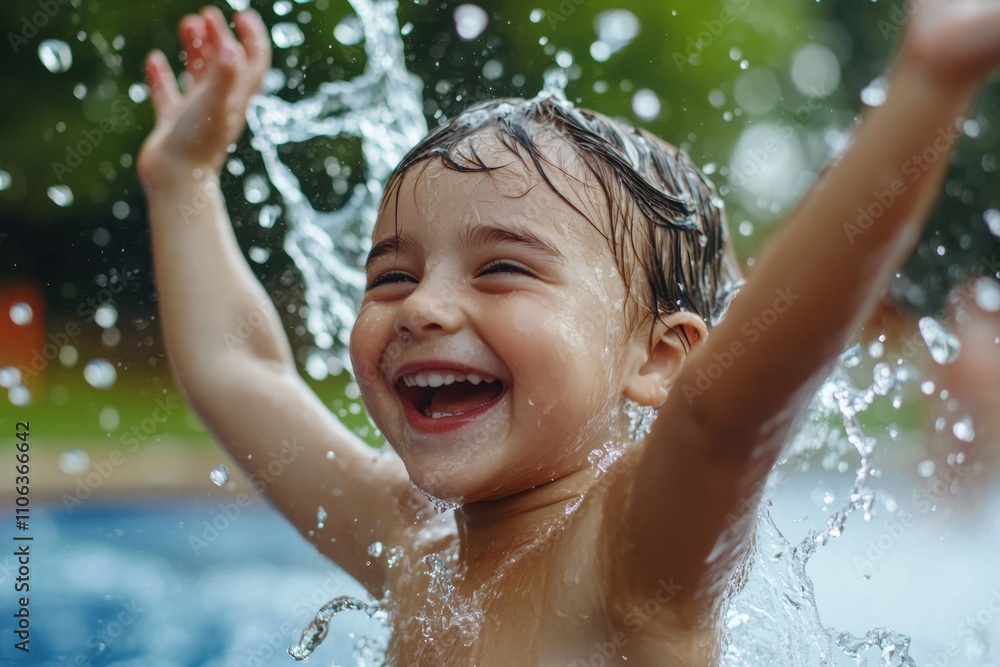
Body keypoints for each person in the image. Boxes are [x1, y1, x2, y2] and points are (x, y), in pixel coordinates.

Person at [137, 2, 1000, 663]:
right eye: (391, 275)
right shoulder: (411, 542)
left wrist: (929, 81)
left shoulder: (627, 556)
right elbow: (239, 371)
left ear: (661, 357)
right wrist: (183, 179)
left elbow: (731, 408)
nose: (423, 308)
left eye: (501, 269)